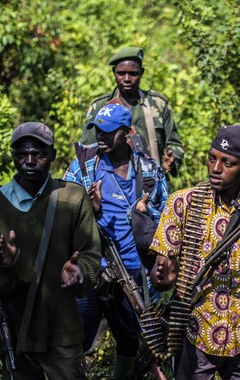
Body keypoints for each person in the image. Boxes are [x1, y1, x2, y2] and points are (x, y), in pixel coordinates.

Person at [148, 124, 240, 379]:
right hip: (195, 331)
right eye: (212, 158)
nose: (216, 168)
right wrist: (163, 276)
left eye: (228, 163)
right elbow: (163, 272)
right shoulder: (183, 202)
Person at [0, 122, 101, 379]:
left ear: (53, 156)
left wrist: (80, 272)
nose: (29, 161)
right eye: (22, 155)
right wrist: (4, 265)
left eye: (39, 154)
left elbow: (90, 254)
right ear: (13, 156)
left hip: (62, 331)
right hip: (16, 332)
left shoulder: (73, 198)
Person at [64, 104, 168, 379]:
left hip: (134, 272)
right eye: (98, 130)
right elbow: (62, 217)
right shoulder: (84, 168)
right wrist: (89, 210)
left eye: (109, 132)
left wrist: (146, 214)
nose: (101, 136)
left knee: (130, 337)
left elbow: (168, 220)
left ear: (128, 133)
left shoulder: (148, 170)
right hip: (92, 268)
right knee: (78, 337)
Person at [80, 47, 185, 176]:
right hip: (111, 181)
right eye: (121, 73)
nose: (127, 78)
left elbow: (174, 144)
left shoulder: (158, 104)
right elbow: (87, 151)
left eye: (133, 73)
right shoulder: (100, 107)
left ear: (142, 72)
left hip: (152, 180)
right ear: (114, 72)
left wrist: (171, 160)